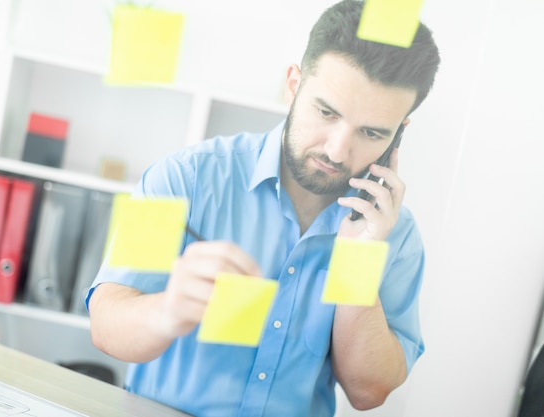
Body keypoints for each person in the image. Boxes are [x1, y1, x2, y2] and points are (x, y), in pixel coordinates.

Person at [86, 1, 441, 415]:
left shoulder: (395, 235)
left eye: (371, 132)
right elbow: (105, 325)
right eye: (326, 112)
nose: (337, 149)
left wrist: (357, 263)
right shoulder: (185, 178)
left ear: (400, 133)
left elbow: (369, 392)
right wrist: (170, 309)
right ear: (293, 84)